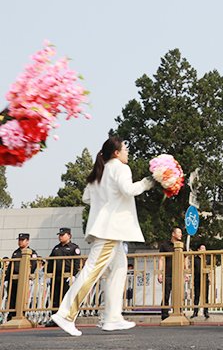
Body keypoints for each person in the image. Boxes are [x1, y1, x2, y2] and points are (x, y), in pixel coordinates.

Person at [51, 136, 154, 336]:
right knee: (92, 270)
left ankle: (112, 318)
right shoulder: (120, 168)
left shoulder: (100, 171)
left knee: (119, 268)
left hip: (105, 229)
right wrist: (148, 182)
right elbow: (129, 189)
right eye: (125, 149)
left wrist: (106, 202)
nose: (127, 152)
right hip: (110, 230)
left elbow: (86, 197)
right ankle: (65, 314)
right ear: (116, 152)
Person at [45, 228, 81, 327]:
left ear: (69, 236)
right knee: (55, 297)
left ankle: (66, 318)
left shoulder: (74, 248)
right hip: (56, 276)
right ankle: (55, 319)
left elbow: (77, 262)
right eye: (59, 235)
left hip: (67, 277)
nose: (60, 237)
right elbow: (50, 261)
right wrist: (48, 273)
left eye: (62, 235)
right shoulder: (56, 248)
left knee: (65, 298)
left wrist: (73, 274)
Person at [5, 233, 39, 322]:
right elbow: (11, 266)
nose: (20, 242)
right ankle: (11, 314)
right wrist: (7, 279)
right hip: (14, 279)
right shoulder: (16, 252)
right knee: (12, 297)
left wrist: (29, 275)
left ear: (27, 241)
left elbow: (34, 265)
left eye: (22, 240)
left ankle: (22, 314)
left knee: (23, 298)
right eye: (19, 240)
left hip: (24, 279)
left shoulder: (32, 252)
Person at [158, 227, 184, 321]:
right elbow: (161, 259)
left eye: (181, 232)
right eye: (179, 232)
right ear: (173, 234)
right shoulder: (164, 245)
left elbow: (185, 260)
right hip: (167, 273)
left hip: (179, 274)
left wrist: (186, 273)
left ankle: (179, 312)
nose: (181, 234)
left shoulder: (182, 246)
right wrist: (160, 273)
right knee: (166, 294)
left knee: (179, 294)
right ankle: (164, 315)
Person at [191, 244, 210, 319]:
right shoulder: (195, 259)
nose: (203, 250)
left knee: (206, 296)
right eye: (202, 248)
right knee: (196, 296)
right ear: (198, 250)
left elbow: (210, 268)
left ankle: (206, 312)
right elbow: (193, 269)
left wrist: (210, 278)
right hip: (197, 279)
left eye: (204, 249)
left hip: (205, 279)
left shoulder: (208, 258)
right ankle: (195, 312)